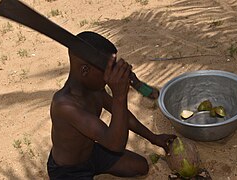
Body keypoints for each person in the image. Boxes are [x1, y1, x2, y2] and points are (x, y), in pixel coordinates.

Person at [47, 31, 176, 180]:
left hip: (92, 154)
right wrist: (120, 96)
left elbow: (124, 116)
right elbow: (115, 145)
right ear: (84, 70)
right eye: (106, 70)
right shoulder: (64, 105)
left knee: (140, 166)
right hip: (67, 171)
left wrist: (153, 137)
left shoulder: (95, 89)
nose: (110, 75)